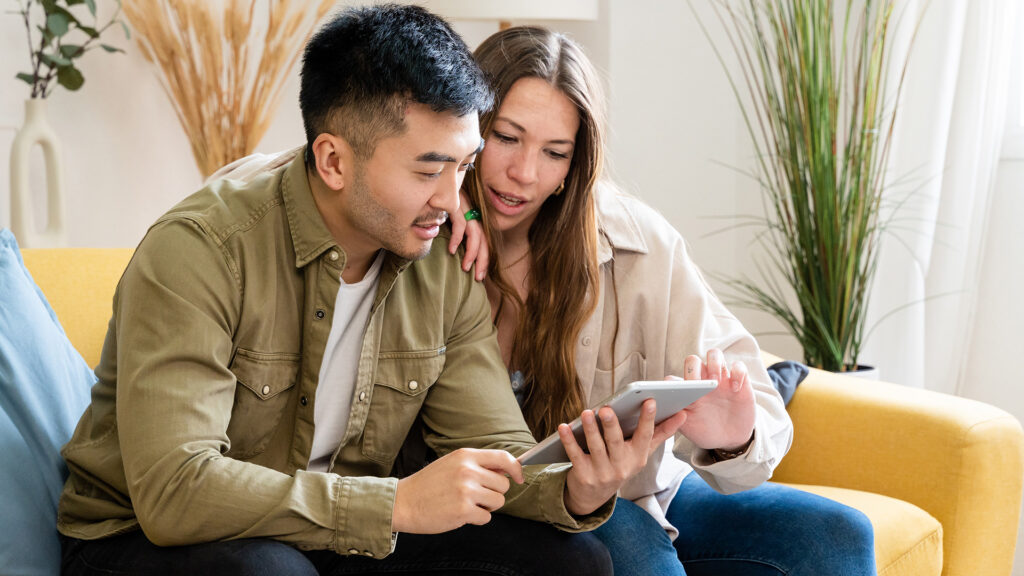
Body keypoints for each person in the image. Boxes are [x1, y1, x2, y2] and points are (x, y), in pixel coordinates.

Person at [56, 7, 680, 575]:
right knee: (270, 574)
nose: (454, 200)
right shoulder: (199, 252)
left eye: (463, 167)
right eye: (429, 169)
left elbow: (497, 449)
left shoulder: (442, 255)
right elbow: (176, 492)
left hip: (338, 533)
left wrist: (579, 487)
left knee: (572, 562)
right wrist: (397, 503)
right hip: (142, 539)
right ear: (332, 162)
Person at [449, 26, 879, 576]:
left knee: (836, 537)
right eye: (507, 138)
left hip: (641, 490)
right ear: (468, 127)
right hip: (522, 507)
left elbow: (761, 415)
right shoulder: (421, 235)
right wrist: (449, 200)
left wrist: (733, 437)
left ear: (574, 166)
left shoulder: (636, 243)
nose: (525, 173)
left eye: (555, 152)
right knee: (636, 558)